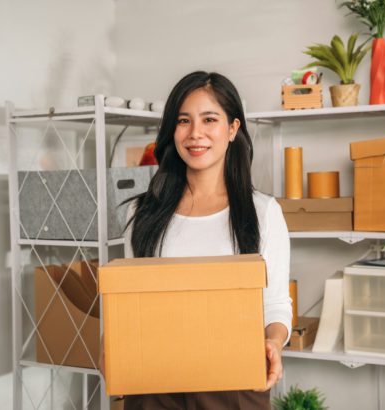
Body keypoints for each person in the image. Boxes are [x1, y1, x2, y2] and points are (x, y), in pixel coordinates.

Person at [120, 71, 292, 410]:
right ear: (172, 130)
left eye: (209, 119)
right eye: (184, 121)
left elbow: (275, 304)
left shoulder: (263, 212)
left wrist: (272, 341)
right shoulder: (143, 212)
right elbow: (127, 302)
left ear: (232, 129)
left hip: (234, 384)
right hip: (155, 382)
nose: (195, 133)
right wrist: (108, 345)